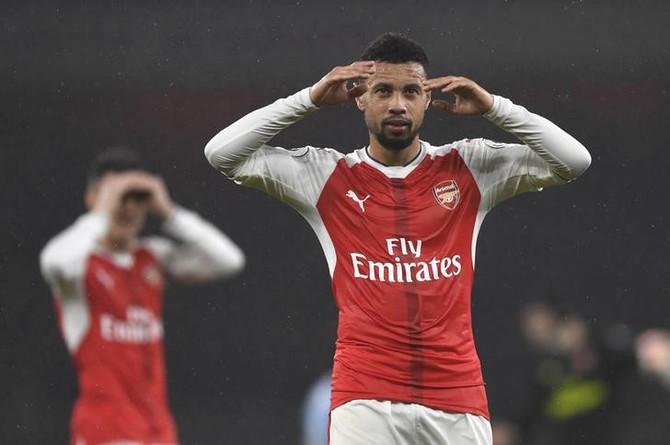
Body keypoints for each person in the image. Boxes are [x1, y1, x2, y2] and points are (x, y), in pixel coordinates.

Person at [204, 33, 591, 444]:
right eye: (383, 90)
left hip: (456, 396)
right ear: (359, 98)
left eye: (411, 91)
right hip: (364, 398)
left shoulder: (468, 166)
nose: (397, 104)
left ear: (427, 100)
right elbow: (222, 153)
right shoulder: (325, 176)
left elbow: (573, 161)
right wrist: (309, 99)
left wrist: (495, 108)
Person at [40, 148, 245, 445]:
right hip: (106, 433)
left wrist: (170, 213)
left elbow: (229, 261)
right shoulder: (81, 265)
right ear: (93, 198)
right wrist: (101, 213)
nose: (127, 208)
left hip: (158, 431)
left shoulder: (151, 257)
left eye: (137, 197)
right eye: (118, 197)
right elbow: (53, 263)